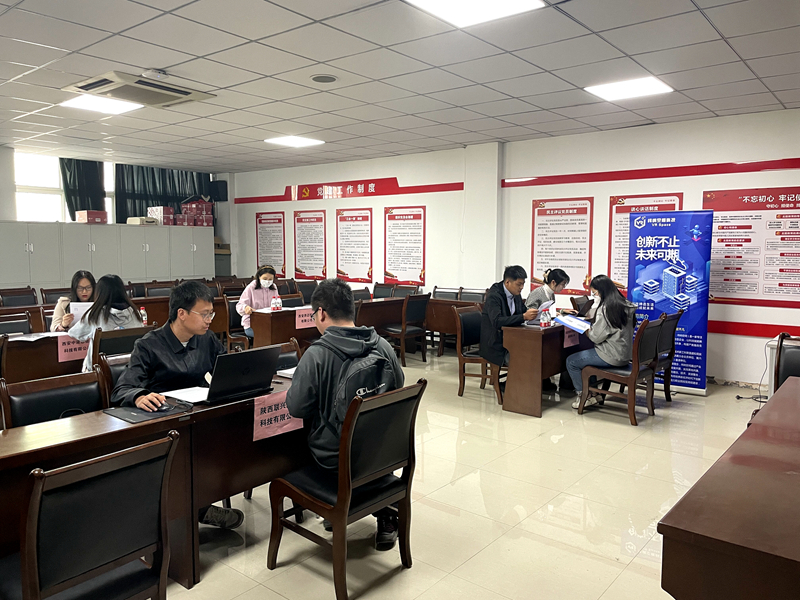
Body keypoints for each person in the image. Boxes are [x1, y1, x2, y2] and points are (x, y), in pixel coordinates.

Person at [111, 280, 244, 529]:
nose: (209, 320)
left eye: (211, 314)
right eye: (204, 314)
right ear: (181, 313)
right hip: (167, 426)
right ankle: (196, 508)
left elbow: (227, 368)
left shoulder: (206, 339)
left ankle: (200, 502)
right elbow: (122, 389)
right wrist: (139, 395)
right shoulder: (148, 346)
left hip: (201, 418)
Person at [286, 278, 404, 551]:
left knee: (291, 450)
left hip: (335, 459)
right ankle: (386, 516)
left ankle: (332, 506)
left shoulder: (317, 354)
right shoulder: (383, 346)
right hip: (384, 452)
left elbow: (297, 408)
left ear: (321, 313)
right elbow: (398, 390)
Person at [565, 274, 637, 409]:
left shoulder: (606, 309)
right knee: (586, 357)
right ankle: (594, 394)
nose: (595, 296)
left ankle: (585, 396)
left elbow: (595, 337)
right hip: (624, 355)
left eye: (595, 293)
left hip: (611, 355)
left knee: (571, 361)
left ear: (602, 291)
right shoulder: (625, 305)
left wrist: (586, 328)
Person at [69, 274, 142, 372]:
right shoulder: (135, 313)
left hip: (101, 373)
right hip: (131, 369)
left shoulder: (95, 314)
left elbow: (74, 333)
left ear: (100, 293)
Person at [525, 269, 577, 392]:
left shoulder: (550, 293)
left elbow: (550, 310)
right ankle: (544, 379)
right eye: (562, 284)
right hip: (533, 330)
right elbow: (529, 313)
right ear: (553, 282)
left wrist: (562, 311)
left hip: (545, 326)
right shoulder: (538, 293)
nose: (563, 287)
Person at [480, 265, 537, 372]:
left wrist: (533, 313)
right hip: (496, 345)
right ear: (507, 282)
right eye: (519, 284)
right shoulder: (494, 296)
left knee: (536, 353)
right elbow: (497, 321)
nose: (521, 287)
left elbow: (522, 311)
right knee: (525, 359)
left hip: (512, 340)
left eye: (523, 284)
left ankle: (539, 381)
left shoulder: (515, 293)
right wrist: (523, 317)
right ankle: (513, 382)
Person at [237, 265, 280, 338]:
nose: (267, 281)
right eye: (265, 278)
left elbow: (277, 302)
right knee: (268, 336)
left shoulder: (274, 287)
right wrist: (246, 308)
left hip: (269, 323)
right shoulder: (251, 287)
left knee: (281, 333)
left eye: (270, 279)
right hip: (252, 324)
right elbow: (239, 305)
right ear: (259, 277)